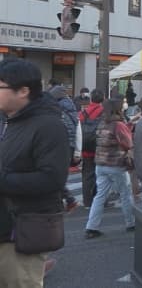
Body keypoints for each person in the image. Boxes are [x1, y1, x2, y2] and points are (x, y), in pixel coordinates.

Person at [0, 59, 70, 287]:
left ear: (23, 91)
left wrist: (3, 180)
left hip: (22, 231)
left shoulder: (49, 126)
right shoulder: (8, 121)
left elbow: (52, 178)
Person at [85, 97, 136, 238]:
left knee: (99, 196)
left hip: (100, 165)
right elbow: (127, 143)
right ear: (118, 109)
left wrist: (130, 124)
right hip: (116, 164)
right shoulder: (118, 125)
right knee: (125, 194)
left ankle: (91, 227)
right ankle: (130, 223)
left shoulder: (103, 123)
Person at [48, 82, 80, 212]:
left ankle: (68, 200)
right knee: (59, 174)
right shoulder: (70, 109)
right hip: (69, 146)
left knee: (56, 175)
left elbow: (60, 131)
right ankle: (68, 200)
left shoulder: (60, 111)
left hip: (62, 146)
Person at [79, 89, 104, 208]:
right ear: (103, 99)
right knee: (101, 176)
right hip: (99, 148)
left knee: (87, 175)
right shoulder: (104, 111)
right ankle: (100, 200)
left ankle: (87, 201)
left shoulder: (83, 113)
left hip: (85, 148)